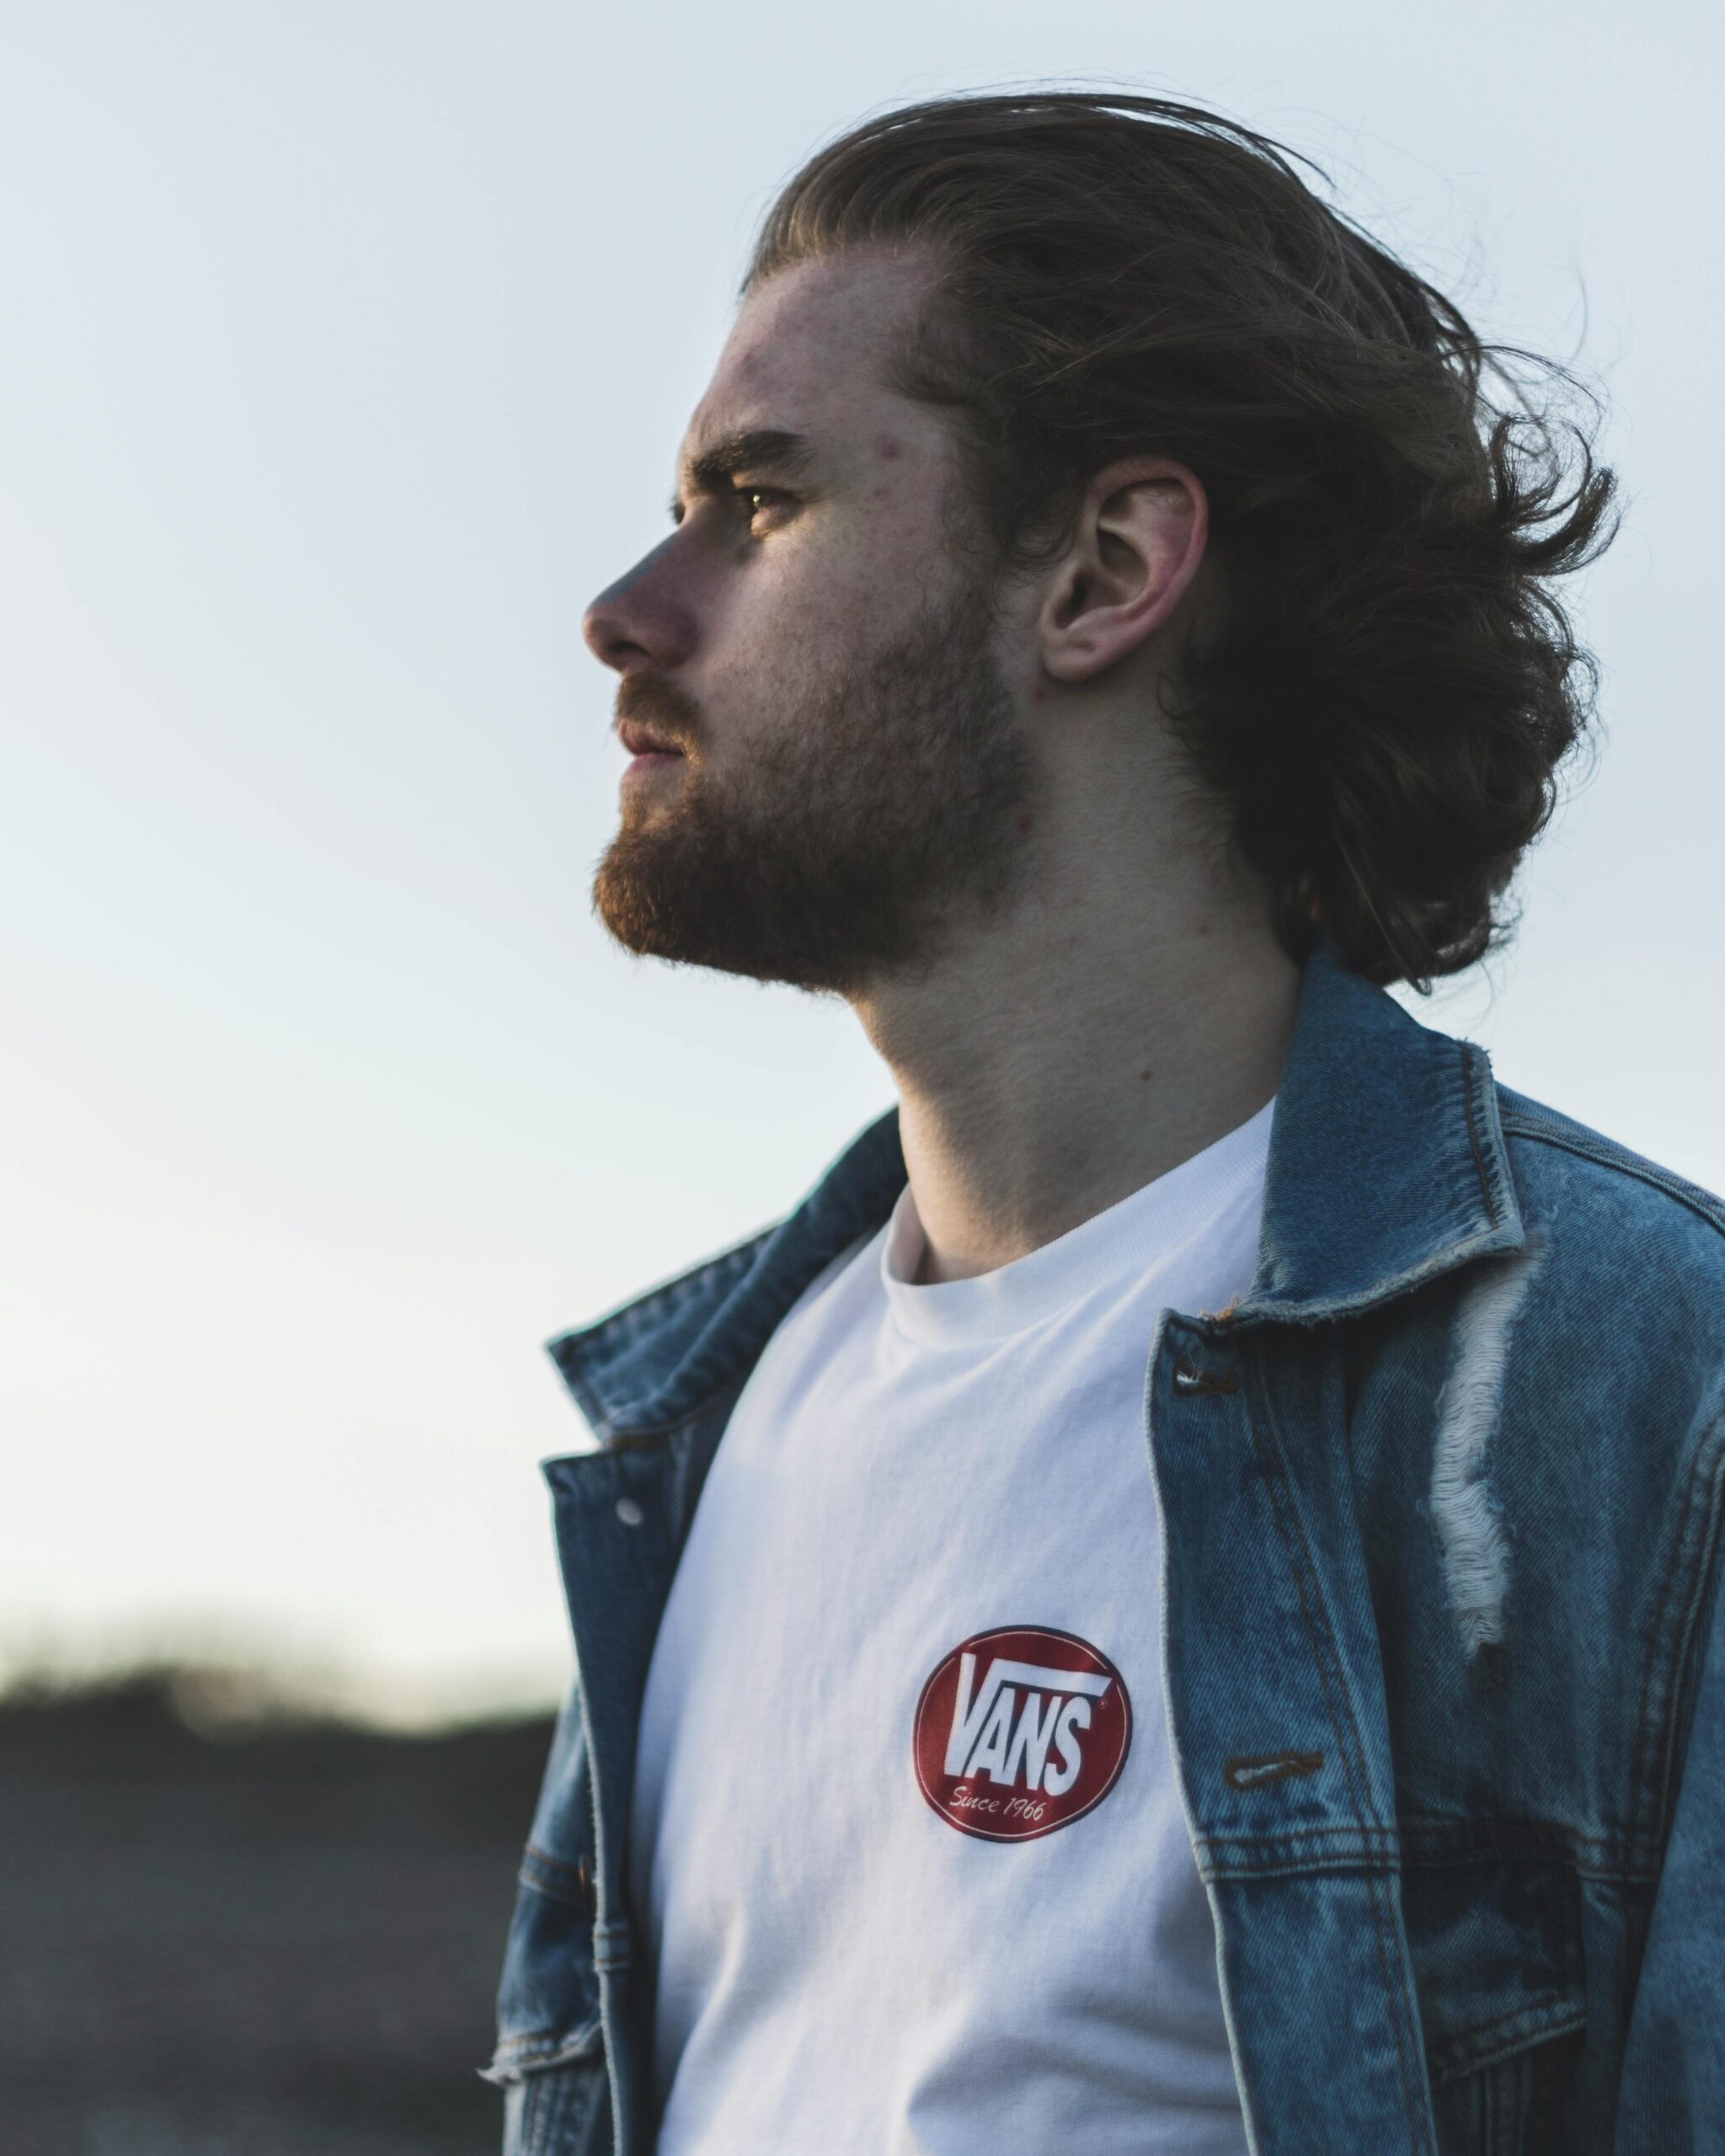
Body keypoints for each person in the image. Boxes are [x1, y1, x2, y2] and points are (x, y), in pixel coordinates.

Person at [485, 91, 1725, 2156]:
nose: (628, 607)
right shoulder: (683, 1451)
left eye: (757, 504)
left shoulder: (1636, 1392)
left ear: (1104, 569)